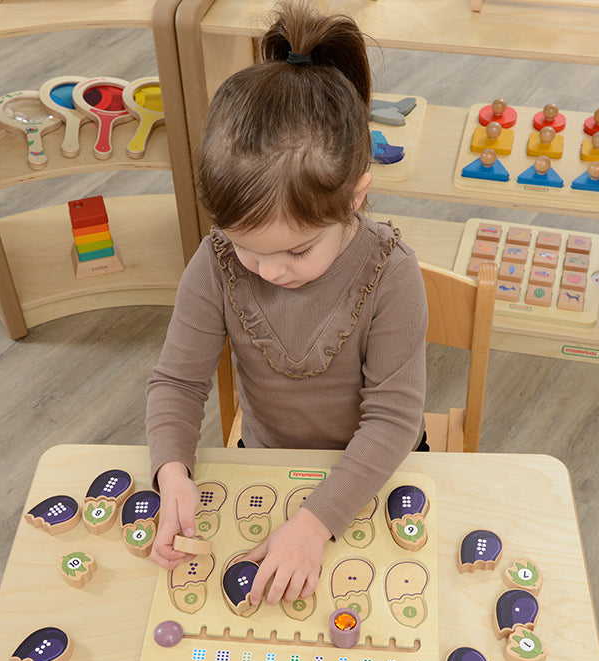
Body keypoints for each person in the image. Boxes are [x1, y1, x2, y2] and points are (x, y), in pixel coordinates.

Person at [146, 0, 428, 609]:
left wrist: (313, 523)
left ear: (357, 196)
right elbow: (176, 380)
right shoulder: (216, 261)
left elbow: (393, 422)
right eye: (247, 248)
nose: (270, 270)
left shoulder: (392, 274)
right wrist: (171, 471)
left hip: (373, 473)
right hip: (267, 465)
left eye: (297, 252)